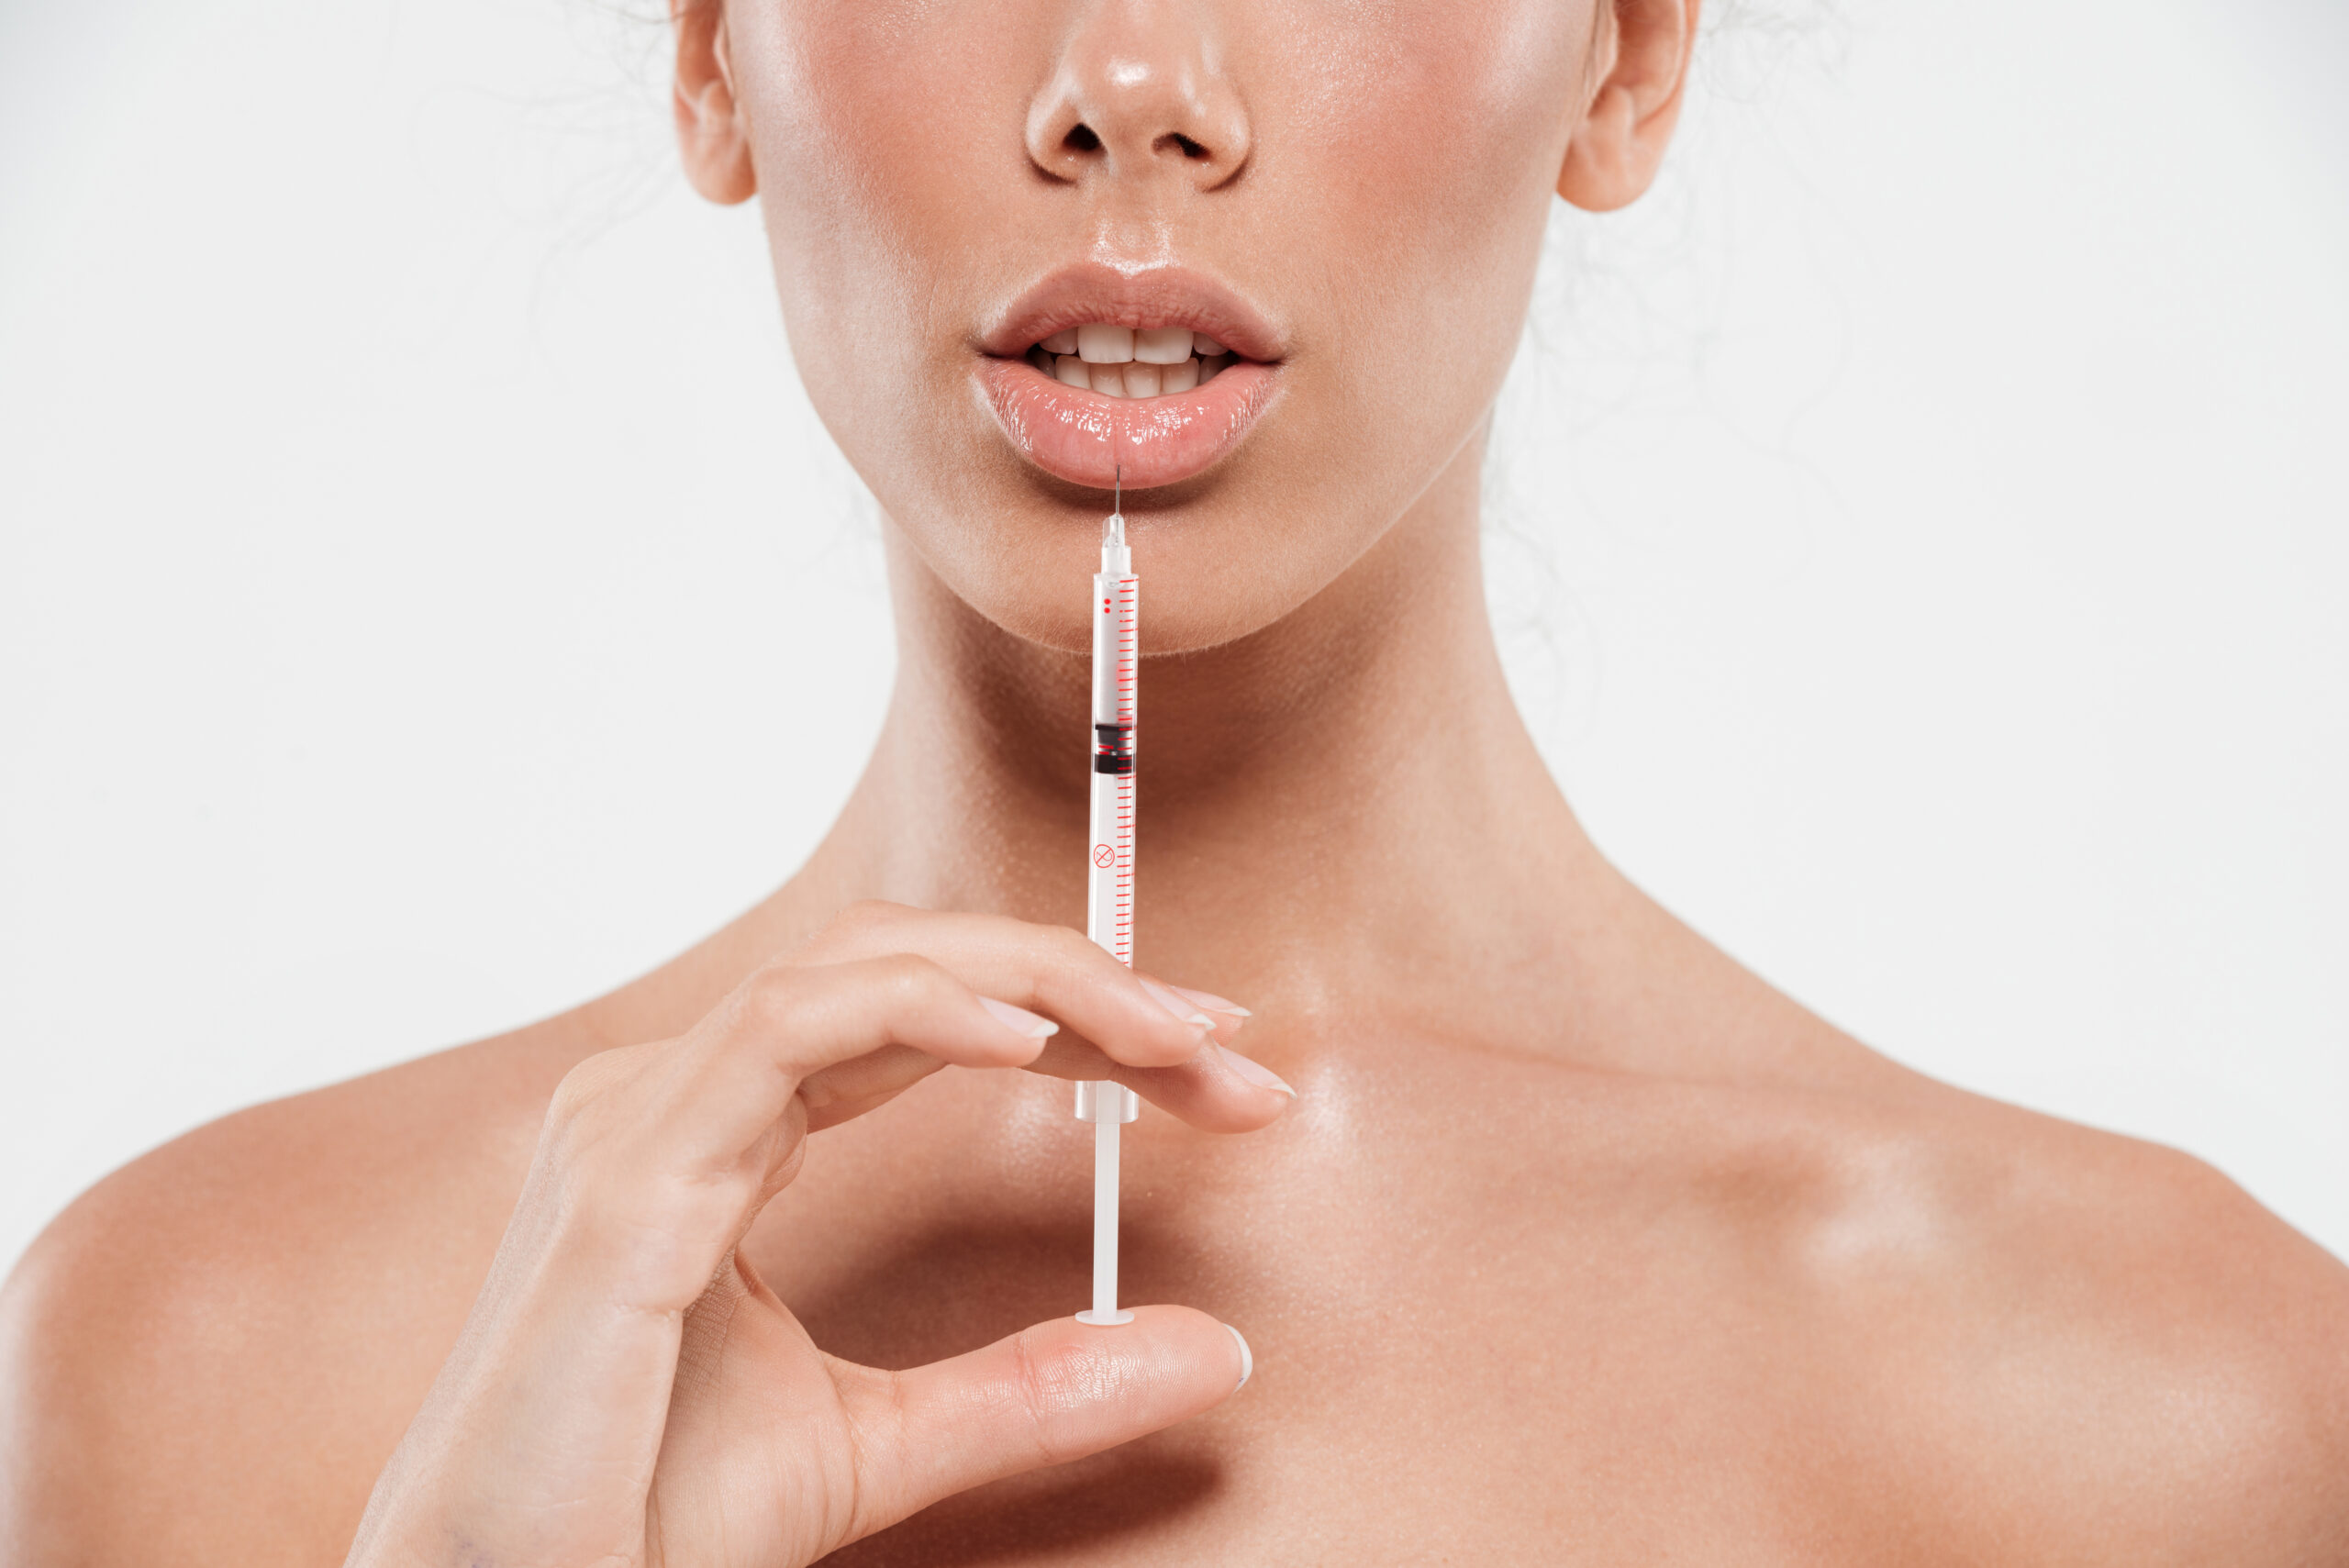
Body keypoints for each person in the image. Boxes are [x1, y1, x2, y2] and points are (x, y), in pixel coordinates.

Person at [6, 0, 2347, 1561]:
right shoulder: (206, 1364)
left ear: (1620, 64)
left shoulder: (2167, 1424)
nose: (1130, 81)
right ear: (715, 55)